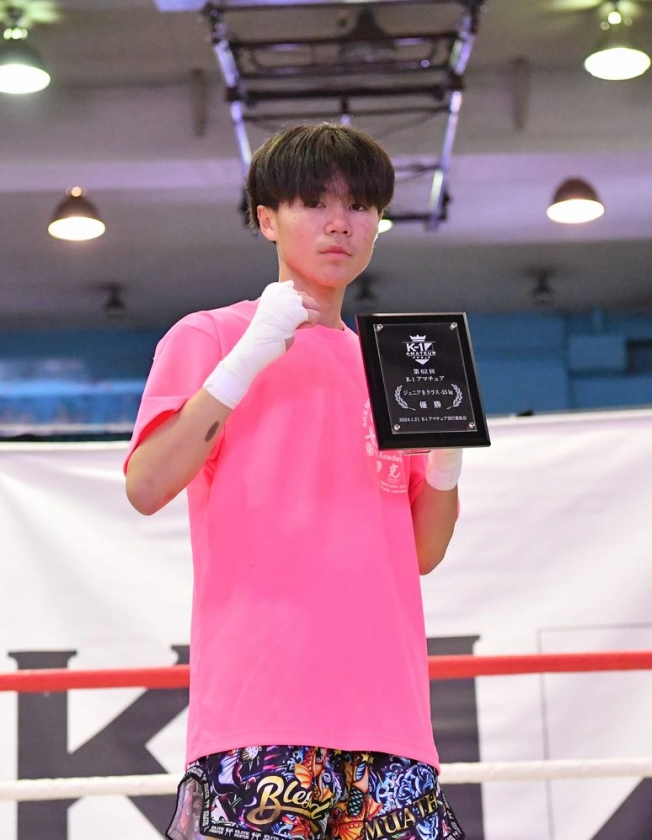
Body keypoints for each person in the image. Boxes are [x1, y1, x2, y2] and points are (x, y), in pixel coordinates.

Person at [124, 122, 465, 840]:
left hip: (391, 721)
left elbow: (421, 552)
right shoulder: (210, 336)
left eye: (360, 205)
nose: (340, 223)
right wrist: (246, 361)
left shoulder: (392, 364)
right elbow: (147, 485)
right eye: (314, 202)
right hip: (257, 718)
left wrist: (446, 461)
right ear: (267, 218)